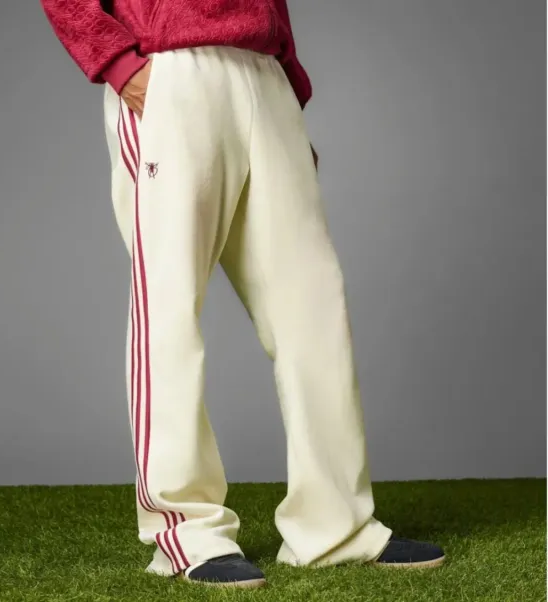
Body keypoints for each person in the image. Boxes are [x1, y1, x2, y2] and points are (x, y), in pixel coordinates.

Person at [39, 0, 445, 588]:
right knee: (169, 308)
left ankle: (336, 527)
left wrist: (288, 85)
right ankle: (187, 532)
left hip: (263, 74)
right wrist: (121, 66)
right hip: (171, 72)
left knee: (314, 308)